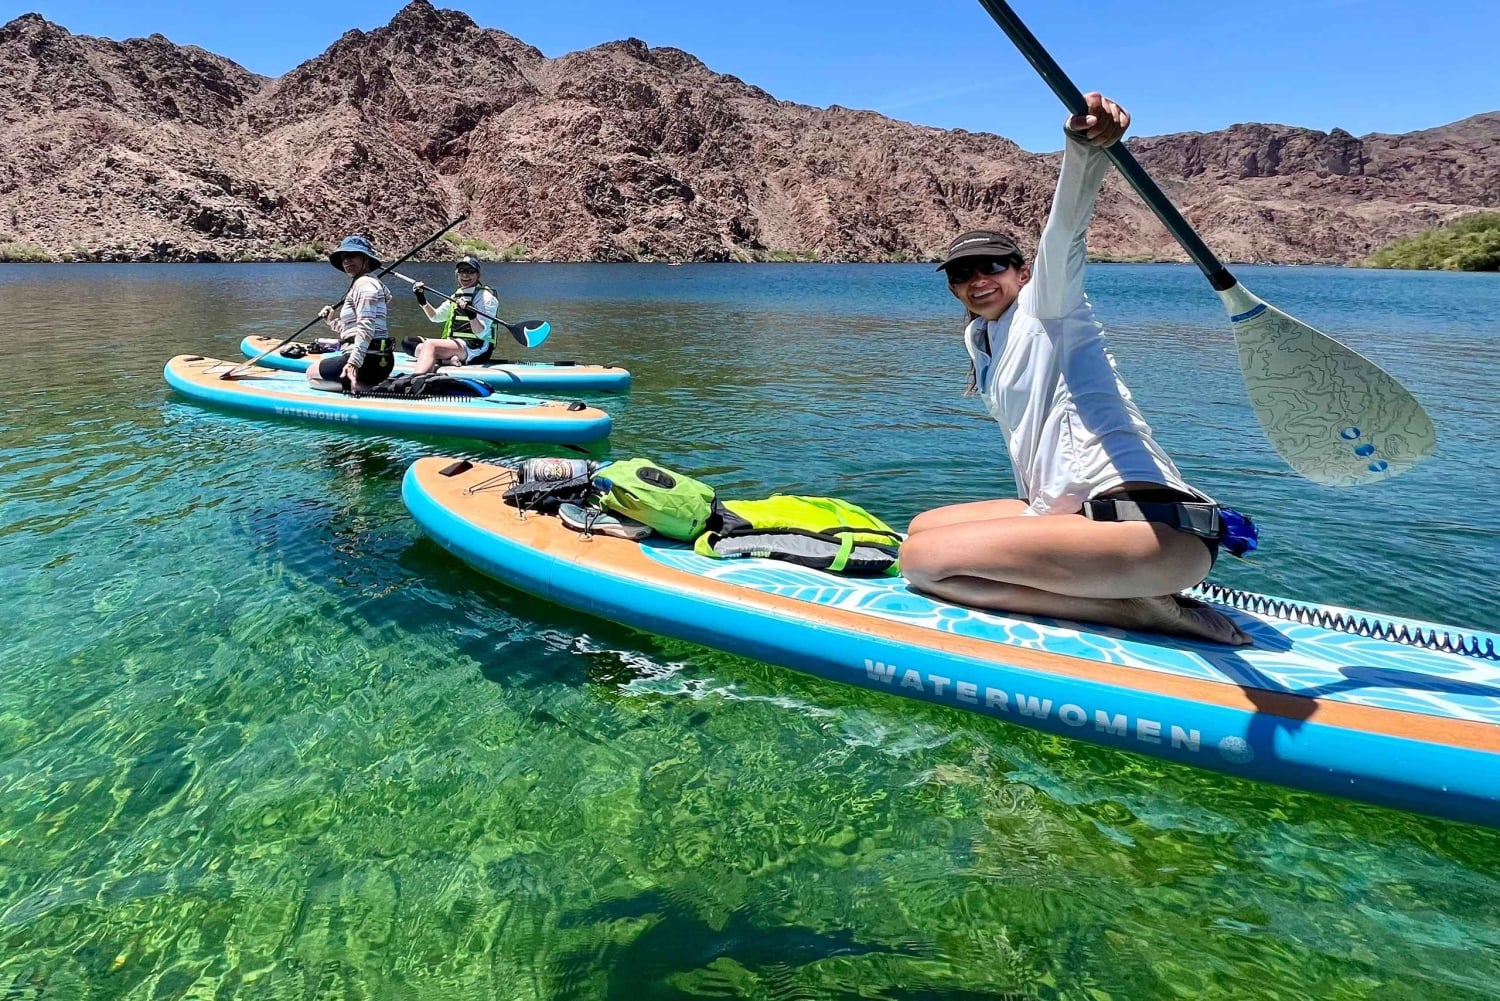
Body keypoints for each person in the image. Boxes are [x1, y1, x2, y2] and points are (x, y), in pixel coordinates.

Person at [899, 92, 1252, 646]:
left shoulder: (1050, 309)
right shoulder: (984, 337)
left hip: (1148, 531)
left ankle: (1138, 610)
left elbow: (1065, 235)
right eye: (960, 274)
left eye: (991, 266)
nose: (975, 280)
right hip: (1078, 522)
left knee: (922, 562)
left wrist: (1083, 149)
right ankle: (1117, 591)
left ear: (1020, 271)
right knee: (921, 529)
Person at [308, 235, 394, 393]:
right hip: (378, 359)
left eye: (352, 255)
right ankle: (367, 384)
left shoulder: (364, 285)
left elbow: (367, 326)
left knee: (311, 375)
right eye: (344, 257)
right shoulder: (369, 283)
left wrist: (353, 363)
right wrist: (332, 321)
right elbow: (351, 331)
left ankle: (365, 388)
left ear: (366, 259)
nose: (346, 260)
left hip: (367, 360)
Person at [408, 255, 501, 374]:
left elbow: (481, 332)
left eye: (470, 271)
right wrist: (422, 300)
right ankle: (447, 360)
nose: (465, 275)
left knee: (430, 345)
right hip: (457, 344)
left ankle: (415, 379)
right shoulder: (457, 295)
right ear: (457, 274)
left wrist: (471, 315)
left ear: (478, 275)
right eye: (462, 271)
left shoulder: (486, 298)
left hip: (476, 348)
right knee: (409, 343)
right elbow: (435, 317)